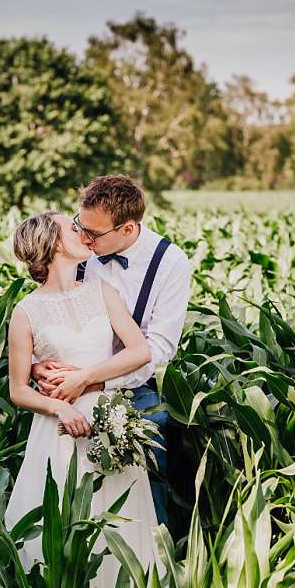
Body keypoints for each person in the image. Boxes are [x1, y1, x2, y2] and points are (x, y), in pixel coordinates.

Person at [5, 211, 176, 588]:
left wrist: (82, 380)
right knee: (69, 545)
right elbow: (19, 389)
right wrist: (59, 403)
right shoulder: (27, 313)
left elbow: (140, 350)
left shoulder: (102, 291)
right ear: (52, 245)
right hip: (60, 437)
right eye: (70, 228)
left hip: (110, 428)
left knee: (124, 539)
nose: (81, 232)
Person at [31, 175, 192, 528]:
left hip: (134, 390)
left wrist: (92, 382)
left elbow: (158, 349)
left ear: (129, 229)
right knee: (68, 493)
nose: (84, 239)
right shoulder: (78, 251)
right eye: (80, 227)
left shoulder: (170, 264)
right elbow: (45, 310)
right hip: (67, 392)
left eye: (94, 234)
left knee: (146, 494)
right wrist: (37, 365)